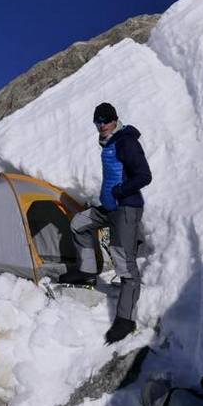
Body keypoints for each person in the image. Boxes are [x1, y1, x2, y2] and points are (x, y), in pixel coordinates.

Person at [70, 102, 152, 344]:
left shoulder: (127, 142)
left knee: (123, 262)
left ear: (115, 120)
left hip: (126, 209)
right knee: (79, 223)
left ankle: (126, 319)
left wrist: (118, 191)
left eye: (105, 120)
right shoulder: (109, 143)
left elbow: (144, 175)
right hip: (110, 208)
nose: (101, 125)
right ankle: (86, 271)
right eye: (97, 121)